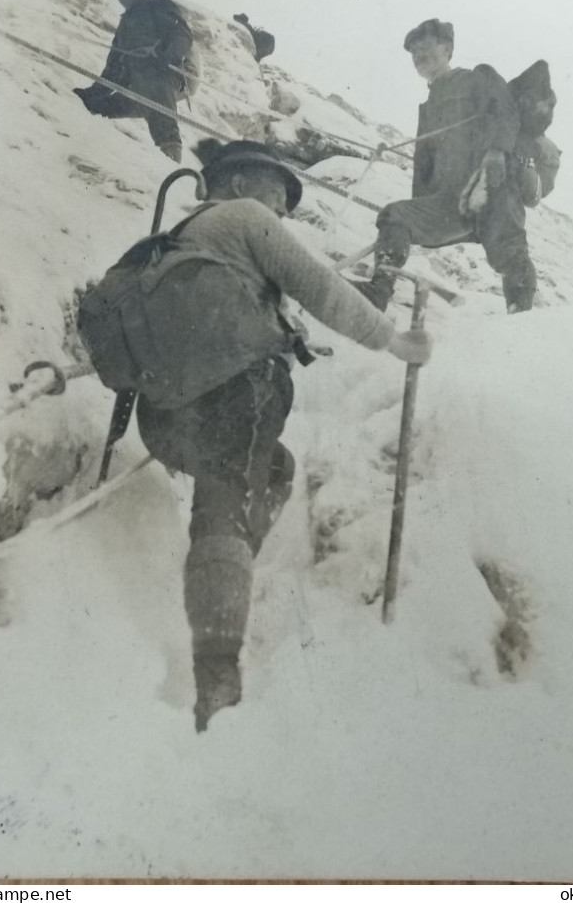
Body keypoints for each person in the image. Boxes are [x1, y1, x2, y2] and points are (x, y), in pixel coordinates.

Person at [136, 138, 432, 731]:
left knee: (273, 470)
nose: (284, 212)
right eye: (280, 196)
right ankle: (216, 676)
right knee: (225, 501)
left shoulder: (174, 240)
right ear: (243, 185)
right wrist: (395, 342)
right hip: (231, 394)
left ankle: (222, 572)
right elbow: (320, 288)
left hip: (161, 417)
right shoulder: (246, 218)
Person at [362, 19, 537, 314]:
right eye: (414, 51)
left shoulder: (477, 77)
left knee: (509, 252)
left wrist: (496, 152)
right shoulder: (430, 105)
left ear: (447, 48)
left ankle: (521, 320)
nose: (419, 56)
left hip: (491, 186)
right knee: (396, 215)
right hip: (450, 203)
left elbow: (505, 110)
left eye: (425, 47)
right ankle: (377, 294)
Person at [73, 0, 193, 163]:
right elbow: (113, 72)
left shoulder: (157, 5)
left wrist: (167, 56)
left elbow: (181, 34)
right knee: (100, 106)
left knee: (152, 83)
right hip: (140, 87)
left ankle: (171, 160)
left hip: (170, 75)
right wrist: (89, 96)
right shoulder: (123, 30)